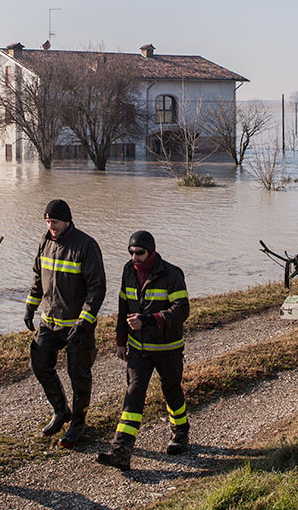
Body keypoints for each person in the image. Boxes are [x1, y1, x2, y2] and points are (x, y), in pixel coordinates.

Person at [96, 230, 190, 471]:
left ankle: (180, 431)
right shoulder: (128, 271)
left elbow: (182, 310)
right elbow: (123, 307)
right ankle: (121, 451)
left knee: (171, 390)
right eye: (131, 252)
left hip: (168, 349)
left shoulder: (171, 274)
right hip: (138, 349)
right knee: (134, 394)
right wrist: (120, 340)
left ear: (151, 251)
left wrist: (148, 320)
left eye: (139, 253)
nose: (134, 257)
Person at [24, 198, 106, 447]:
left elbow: (97, 289)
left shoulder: (86, 246)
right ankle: (61, 411)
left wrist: (84, 322)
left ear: (67, 221)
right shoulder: (45, 241)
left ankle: (78, 425)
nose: (51, 226)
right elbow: (38, 277)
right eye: (48, 221)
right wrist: (30, 306)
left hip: (77, 326)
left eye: (55, 222)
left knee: (78, 375)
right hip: (49, 323)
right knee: (39, 363)